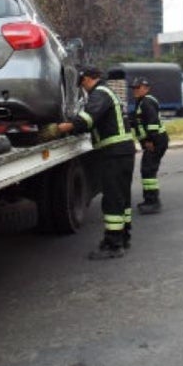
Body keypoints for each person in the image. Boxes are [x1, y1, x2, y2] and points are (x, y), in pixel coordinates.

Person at [55, 66, 135, 259]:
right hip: (123, 152)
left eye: (82, 82)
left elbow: (87, 119)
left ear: (89, 79)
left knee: (112, 199)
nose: (83, 87)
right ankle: (123, 236)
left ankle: (113, 245)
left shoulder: (99, 93)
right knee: (122, 197)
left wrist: (65, 127)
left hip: (114, 153)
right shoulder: (108, 92)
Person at [129, 76, 169, 214]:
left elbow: (152, 122)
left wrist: (150, 141)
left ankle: (153, 202)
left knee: (148, 170)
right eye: (134, 88)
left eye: (137, 88)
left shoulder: (146, 102)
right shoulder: (141, 102)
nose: (135, 90)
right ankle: (150, 200)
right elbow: (138, 121)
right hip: (154, 141)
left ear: (146, 88)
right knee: (147, 170)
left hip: (155, 141)